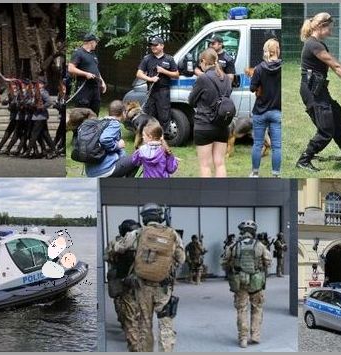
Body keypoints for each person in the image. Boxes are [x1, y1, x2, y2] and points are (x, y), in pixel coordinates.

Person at [296, 12, 341, 171]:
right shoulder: (313, 44)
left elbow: (336, 64)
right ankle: (303, 160)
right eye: (330, 28)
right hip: (312, 91)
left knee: (337, 120)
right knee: (326, 129)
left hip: (319, 89)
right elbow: (335, 66)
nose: (331, 32)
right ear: (321, 26)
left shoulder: (318, 44)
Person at [132, 203, 185, 352]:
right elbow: (181, 258)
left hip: (143, 286)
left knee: (145, 324)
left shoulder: (138, 233)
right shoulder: (172, 234)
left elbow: (119, 248)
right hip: (163, 286)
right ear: (160, 216)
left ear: (144, 218)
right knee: (165, 324)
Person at [221, 220, 272, 348]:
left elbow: (224, 263)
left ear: (241, 231)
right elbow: (268, 262)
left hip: (240, 282)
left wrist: (232, 269)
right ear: (254, 232)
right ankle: (255, 336)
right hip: (257, 282)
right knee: (257, 308)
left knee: (242, 310)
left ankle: (243, 339)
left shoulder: (233, 246)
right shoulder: (260, 245)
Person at [189, 48, 231, 177]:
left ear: (203, 61)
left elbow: (191, 101)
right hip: (222, 125)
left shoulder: (203, 78)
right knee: (220, 163)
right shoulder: (226, 78)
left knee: (205, 165)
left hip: (204, 125)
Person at [105, 219, 142, 351]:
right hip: (140, 283)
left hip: (124, 281)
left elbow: (108, 257)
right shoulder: (144, 242)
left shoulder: (117, 243)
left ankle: (134, 343)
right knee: (137, 311)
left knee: (127, 312)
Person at [250, 38, 283, 178]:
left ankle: (255, 173)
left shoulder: (258, 68)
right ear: (277, 50)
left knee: (257, 144)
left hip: (260, 111)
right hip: (277, 111)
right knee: (277, 146)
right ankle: (275, 174)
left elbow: (252, 88)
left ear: (265, 51)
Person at [136, 36, 179, 137]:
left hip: (163, 92)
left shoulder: (169, 59)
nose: (153, 47)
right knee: (149, 116)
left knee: (164, 117)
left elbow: (176, 75)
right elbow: (138, 73)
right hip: (151, 92)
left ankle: (161, 138)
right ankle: (149, 137)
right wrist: (150, 79)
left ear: (162, 46)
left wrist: (164, 71)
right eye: (152, 45)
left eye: (155, 45)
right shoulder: (147, 59)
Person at [84, 100, 140, 178]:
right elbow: (105, 139)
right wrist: (118, 145)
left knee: (125, 159)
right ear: (123, 112)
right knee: (139, 156)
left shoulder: (100, 122)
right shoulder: (114, 124)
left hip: (91, 172)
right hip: (105, 170)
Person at [68, 33, 106, 115]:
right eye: (96, 42)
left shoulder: (93, 54)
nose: (96, 44)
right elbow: (70, 68)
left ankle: (93, 127)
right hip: (84, 88)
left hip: (95, 88)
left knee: (95, 112)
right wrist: (85, 74)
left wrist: (102, 82)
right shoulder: (78, 53)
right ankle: (79, 128)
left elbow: (96, 70)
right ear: (91, 42)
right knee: (82, 113)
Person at [0, 81, 21, 154]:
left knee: (17, 135)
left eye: (15, 84)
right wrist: (6, 101)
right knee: (8, 132)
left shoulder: (19, 93)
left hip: (19, 117)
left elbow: (17, 104)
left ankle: (8, 149)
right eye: (12, 85)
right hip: (14, 117)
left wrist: (11, 105)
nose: (14, 86)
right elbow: (4, 102)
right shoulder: (10, 93)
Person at [27, 79, 56, 159]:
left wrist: (41, 107)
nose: (37, 85)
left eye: (39, 83)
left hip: (40, 116)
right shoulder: (35, 92)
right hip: (36, 116)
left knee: (34, 134)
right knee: (45, 135)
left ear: (42, 85)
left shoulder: (43, 92)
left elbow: (49, 102)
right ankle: (53, 150)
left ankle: (28, 151)